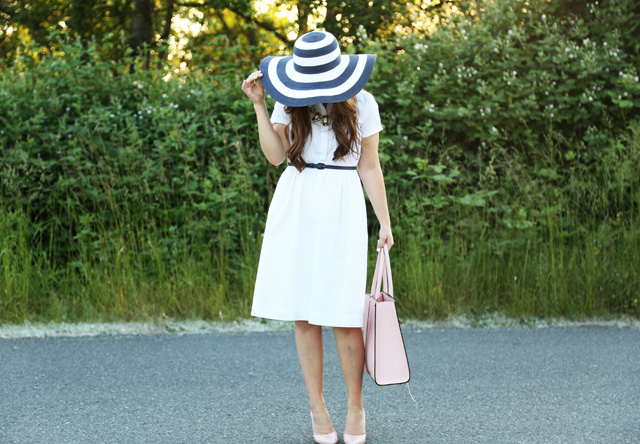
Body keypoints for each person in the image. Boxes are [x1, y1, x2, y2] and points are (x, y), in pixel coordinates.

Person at [241, 30, 393, 444]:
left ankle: (356, 407)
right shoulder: (289, 98)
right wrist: (259, 105)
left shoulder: (363, 102)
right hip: (298, 198)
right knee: (305, 312)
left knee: (345, 315)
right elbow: (275, 156)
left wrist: (384, 220)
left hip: (343, 203)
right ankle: (317, 407)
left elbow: (370, 166)